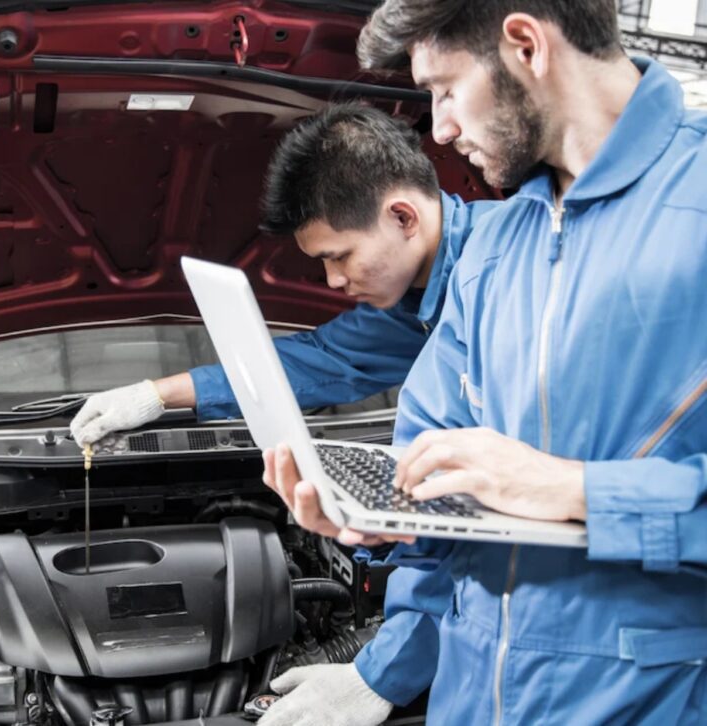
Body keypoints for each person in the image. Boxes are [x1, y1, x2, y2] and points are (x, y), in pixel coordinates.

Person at [262, 1, 707, 724]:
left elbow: (549, 490)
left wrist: (577, 491)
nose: (438, 128)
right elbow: (439, 514)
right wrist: (383, 519)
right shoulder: (493, 251)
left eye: (444, 89)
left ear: (526, 45)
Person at [71, 103, 499, 724]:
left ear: (403, 216)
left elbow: (475, 532)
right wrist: (154, 395)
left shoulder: (499, 285)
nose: (329, 281)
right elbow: (319, 360)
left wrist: (381, 676)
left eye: (339, 255)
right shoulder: (416, 297)